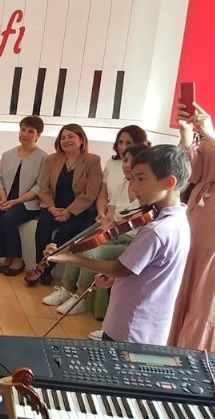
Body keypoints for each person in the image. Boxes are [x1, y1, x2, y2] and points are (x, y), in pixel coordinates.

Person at [47, 145, 191, 345]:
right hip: (147, 324)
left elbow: (120, 268)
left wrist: (70, 257)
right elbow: (144, 268)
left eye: (141, 179)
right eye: (133, 179)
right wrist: (114, 278)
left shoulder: (156, 230)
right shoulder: (178, 220)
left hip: (131, 325)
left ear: (169, 182)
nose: (134, 187)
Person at [169, 60, 215, 354]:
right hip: (201, 212)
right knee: (191, 277)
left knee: (211, 290)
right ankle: (175, 351)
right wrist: (187, 133)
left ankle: (203, 360)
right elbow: (194, 173)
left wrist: (211, 134)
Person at [48, 142, 150, 317]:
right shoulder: (122, 185)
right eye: (125, 160)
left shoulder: (147, 192)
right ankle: (66, 289)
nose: (127, 165)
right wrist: (107, 220)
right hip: (115, 235)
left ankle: (80, 298)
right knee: (79, 245)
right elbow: (111, 213)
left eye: (132, 161)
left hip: (131, 242)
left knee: (90, 254)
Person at [28, 124, 102, 285]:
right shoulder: (51, 159)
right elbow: (44, 187)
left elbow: (91, 193)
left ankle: (44, 269)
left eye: (70, 137)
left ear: (81, 139)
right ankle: (40, 264)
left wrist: (69, 211)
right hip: (54, 206)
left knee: (66, 231)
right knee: (43, 224)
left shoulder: (92, 160)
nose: (66, 141)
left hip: (80, 210)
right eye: (63, 138)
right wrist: (51, 207)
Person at [0, 116, 48, 276]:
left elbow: (40, 186)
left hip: (28, 203)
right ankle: (8, 256)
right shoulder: (7, 154)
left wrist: (16, 201)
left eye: (31, 131)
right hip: (5, 199)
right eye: (23, 130)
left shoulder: (43, 158)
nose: (25, 134)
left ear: (38, 135)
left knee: (8, 218)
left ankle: (18, 259)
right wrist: (3, 198)